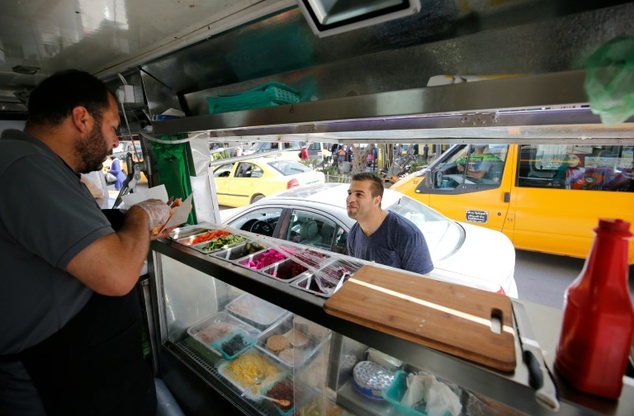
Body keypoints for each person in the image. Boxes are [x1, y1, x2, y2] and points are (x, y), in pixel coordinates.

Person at [0, 69, 174, 415]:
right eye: (112, 127)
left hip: (77, 373)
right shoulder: (26, 168)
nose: (115, 142)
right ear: (82, 119)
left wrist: (129, 230)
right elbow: (116, 276)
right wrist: (141, 216)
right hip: (52, 384)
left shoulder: (39, 166)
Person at [346, 172, 434, 275]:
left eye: (359, 194)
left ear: (376, 201)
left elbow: (423, 283)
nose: (350, 199)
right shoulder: (353, 234)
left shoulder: (406, 234)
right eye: (349, 193)